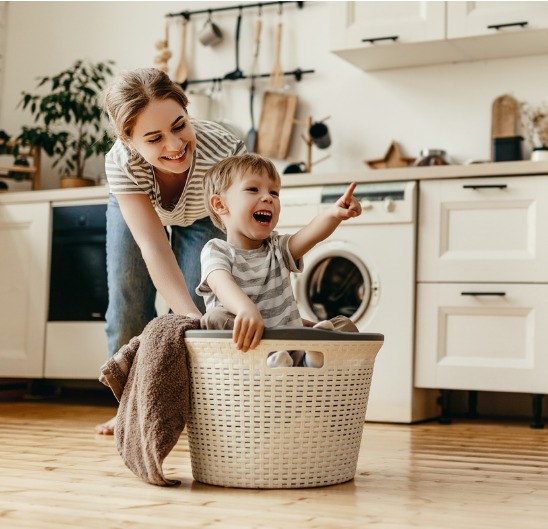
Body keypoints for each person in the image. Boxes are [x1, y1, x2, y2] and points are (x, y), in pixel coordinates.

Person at [95, 68, 245, 434]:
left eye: (180, 125)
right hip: (141, 205)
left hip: (204, 213)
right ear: (129, 141)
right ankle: (131, 408)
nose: (175, 145)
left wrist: (203, 316)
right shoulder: (122, 163)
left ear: (187, 110)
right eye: (154, 138)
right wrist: (188, 317)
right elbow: (153, 246)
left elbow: (241, 233)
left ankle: (194, 410)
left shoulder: (224, 150)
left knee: (203, 305)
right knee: (129, 300)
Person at [196, 153, 361, 367]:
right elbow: (221, 283)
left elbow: (310, 234)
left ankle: (311, 357)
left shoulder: (277, 248)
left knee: (344, 325)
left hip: (291, 341)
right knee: (213, 319)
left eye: (274, 192)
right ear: (220, 204)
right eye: (253, 189)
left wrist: (334, 214)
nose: (268, 198)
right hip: (247, 348)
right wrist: (246, 309)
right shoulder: (216, 250)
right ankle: (276, 360)